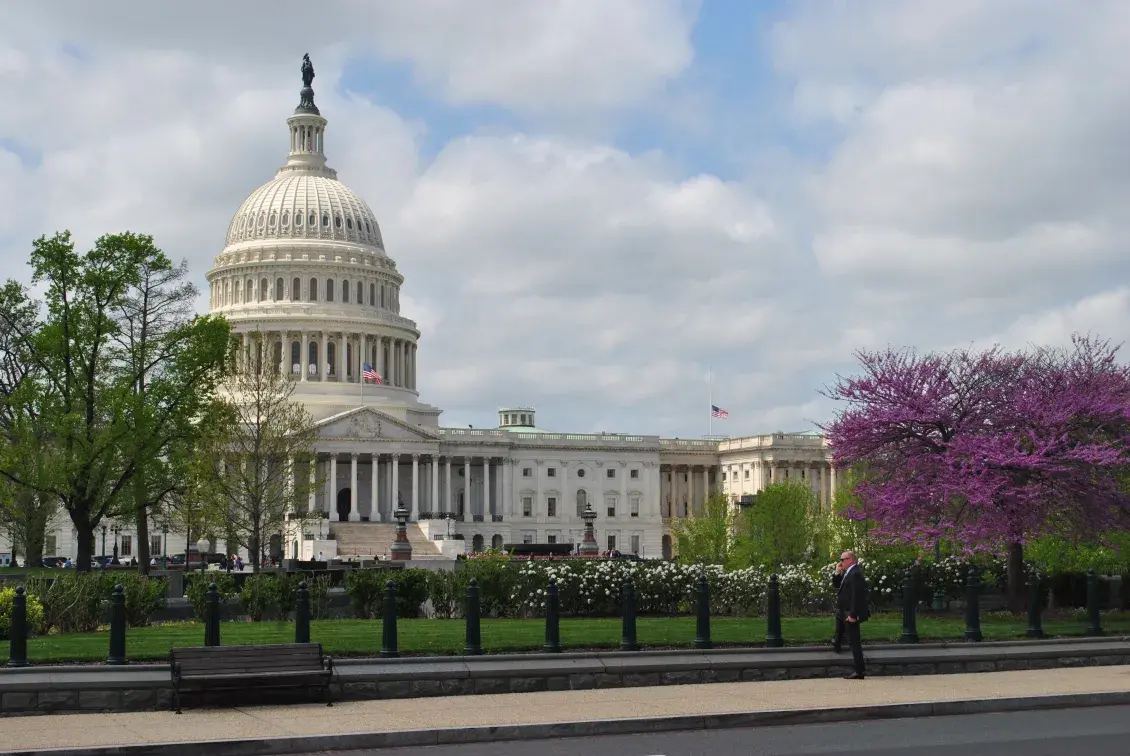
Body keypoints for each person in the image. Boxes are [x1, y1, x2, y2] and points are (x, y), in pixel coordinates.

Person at [832, 549, 869, 679]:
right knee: (840, 632)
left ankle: (860, 670)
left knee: (854, 641)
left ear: (851, 560)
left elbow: (856, 596)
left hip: (849, 613)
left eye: (843, 560)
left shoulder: (855, 574)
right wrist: (837, 571)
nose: (841, 562)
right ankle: (836, 643)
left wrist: (853, 615)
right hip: (843, 611)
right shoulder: (848, 572)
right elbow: (837, 586)